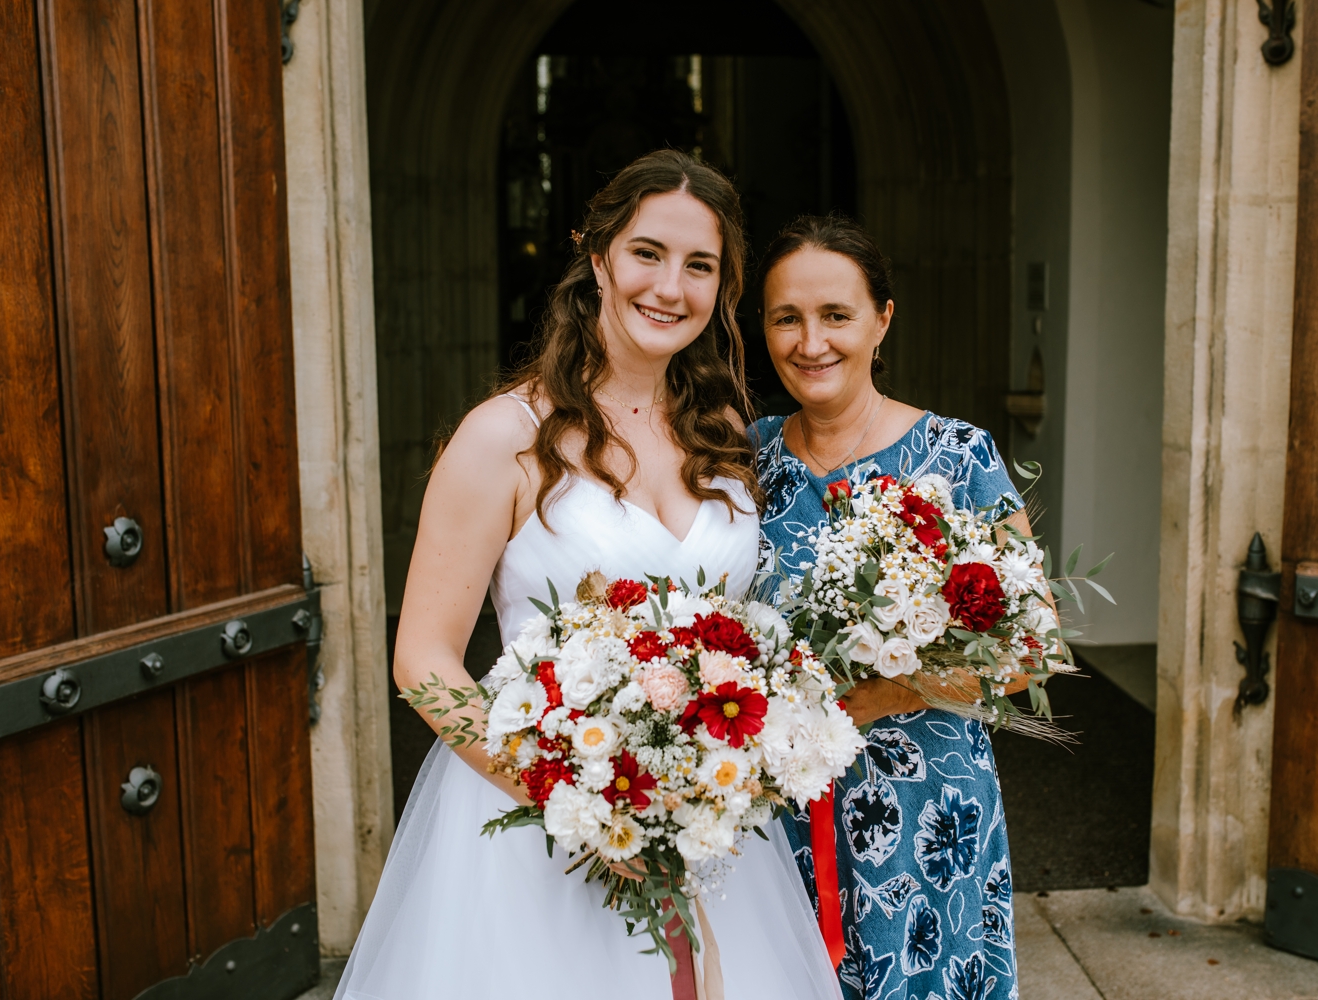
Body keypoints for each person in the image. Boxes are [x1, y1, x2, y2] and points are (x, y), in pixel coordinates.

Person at [337, 152, 839, 1000]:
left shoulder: (721, 427)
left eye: (700, 265)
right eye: (647, 252)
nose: (670, 286)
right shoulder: (504, 436)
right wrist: (578, 798)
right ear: (597, 255)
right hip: (544, 831)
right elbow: (422, 661)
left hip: (708, 829)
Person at [749, 215, 1028, 1000]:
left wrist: (888, 693)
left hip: (926, 816)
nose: (811, 342)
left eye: (836, 315)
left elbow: (1030, 653)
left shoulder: (958, 458)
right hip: (778, 814)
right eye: (786, 318)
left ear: (882, 320)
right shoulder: (741, 460)